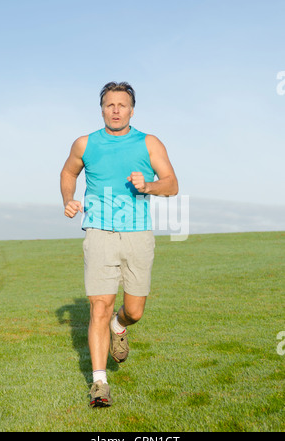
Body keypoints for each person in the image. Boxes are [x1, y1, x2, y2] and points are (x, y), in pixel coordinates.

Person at [60, 82, 178, 408]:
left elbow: (172, 184)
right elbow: (68, 172)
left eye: (121, 105)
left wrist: (150, 185)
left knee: (135, 312)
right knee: (99, 305)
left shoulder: (149, 142)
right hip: (98, 233)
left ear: (131, 110)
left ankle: (119, 325)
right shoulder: (85, 143)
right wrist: (69, 199)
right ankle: (100, 383)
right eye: (109, 105)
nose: (115, 110)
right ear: (102, 109)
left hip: (138, 234)